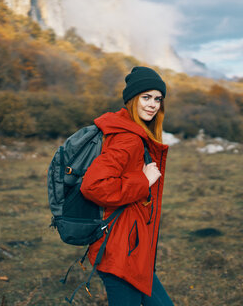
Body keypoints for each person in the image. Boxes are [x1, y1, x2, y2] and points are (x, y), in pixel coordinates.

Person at [81, 66, 173, 306]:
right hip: (120, 251)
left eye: (158, 99)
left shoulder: (134, 133)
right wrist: (143, 180)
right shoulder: (127, 138)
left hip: (132, 249)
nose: (153, 104)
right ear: (132, 99)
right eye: (146, 97)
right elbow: (94, 185)